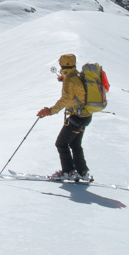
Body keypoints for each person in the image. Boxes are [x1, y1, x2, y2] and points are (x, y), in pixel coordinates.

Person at [37, 54, 93, 182]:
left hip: (76, 118)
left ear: (63, 64)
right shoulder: (77, 75)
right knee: (75, 144)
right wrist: (65, 77)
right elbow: (77, 89)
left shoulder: (70, 80)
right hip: (85, 116)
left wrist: (49, 111)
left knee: (61, 143)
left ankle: (68, 172)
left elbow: (65, 100)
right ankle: (82, 172)